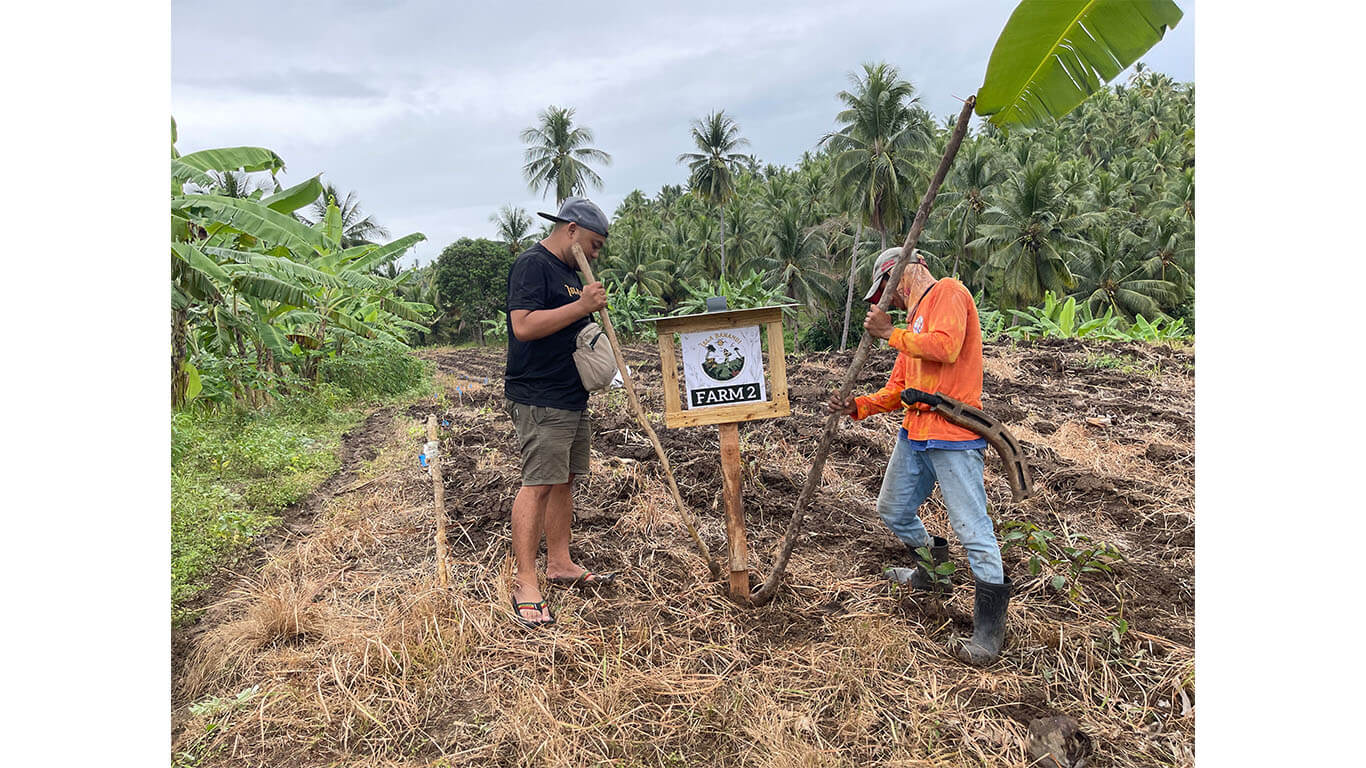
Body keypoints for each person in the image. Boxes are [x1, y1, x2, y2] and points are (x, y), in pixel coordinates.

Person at [825, 247, 1011, 665]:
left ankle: (987, 634)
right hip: (915, 433)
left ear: (903, 274)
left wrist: (891, 333)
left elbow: (945, 348)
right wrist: (857, 405)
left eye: (887, 292)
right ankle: (933, 571)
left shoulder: (948, 292)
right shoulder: (911, 326)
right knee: (893, 508)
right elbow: (898, 388)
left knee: (973, 529)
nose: (888, 301)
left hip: (953, 435)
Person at [503, 196, 619, 628]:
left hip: (571, 397)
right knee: (538, 484)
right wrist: (582, 306)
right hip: (539, 397)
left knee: (565, 480)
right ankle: (526, 581)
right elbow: (524, 326)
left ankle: (560, 562)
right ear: (570, 229)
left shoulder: (571, 273)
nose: (594, 253)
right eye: (592, 244)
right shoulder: (533, 265)